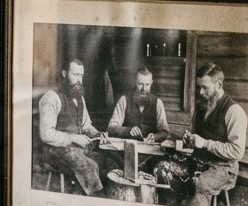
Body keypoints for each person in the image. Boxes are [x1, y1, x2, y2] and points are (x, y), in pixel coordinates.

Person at [182, 63, 247, 206]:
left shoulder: (234, 111)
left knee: (199, 183)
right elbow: (197, 135)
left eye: (205, 87)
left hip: (223, 168)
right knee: (166, 170)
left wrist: (205, 144)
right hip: (199, 161)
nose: (200, 92)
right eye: (199, 87)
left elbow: (237, 151)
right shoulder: (201, 107)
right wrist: (190, 139)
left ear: (218, 84)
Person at [37, 58, 106, 195]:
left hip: (76, 151)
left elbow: (86, 125)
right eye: (76, 75)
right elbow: (45, 134)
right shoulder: (52, 98)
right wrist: (73, 138)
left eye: (81, 75)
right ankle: (96, 202)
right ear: (64, 73)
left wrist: (98, 134)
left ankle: (82, 195)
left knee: (107, 162)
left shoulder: (80, 99)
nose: (80, 79)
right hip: (54, 153)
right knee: (90, 166)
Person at [106, 67, 171, 142]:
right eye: (140, 84)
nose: (144, 89)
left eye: (147, 85)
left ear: (151, 83)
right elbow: (111, 128)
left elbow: (165, 132)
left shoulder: (158, 103)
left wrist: (155, 137)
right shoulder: (124, 100)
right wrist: (127, 131)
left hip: (150, 149)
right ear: (135, 82)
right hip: (127, 147)